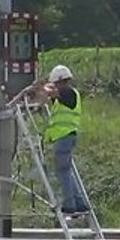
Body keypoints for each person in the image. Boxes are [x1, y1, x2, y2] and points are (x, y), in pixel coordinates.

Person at [43, 64, 88, 215]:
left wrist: (39, 87)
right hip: (67, 136)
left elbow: (51, 93)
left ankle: (69, 205)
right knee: (67, 171)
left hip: (64, 137)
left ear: (61, 81)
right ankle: (79, 202)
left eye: (56, 83)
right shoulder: (67, 95)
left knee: (63, 172)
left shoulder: (67, 92)